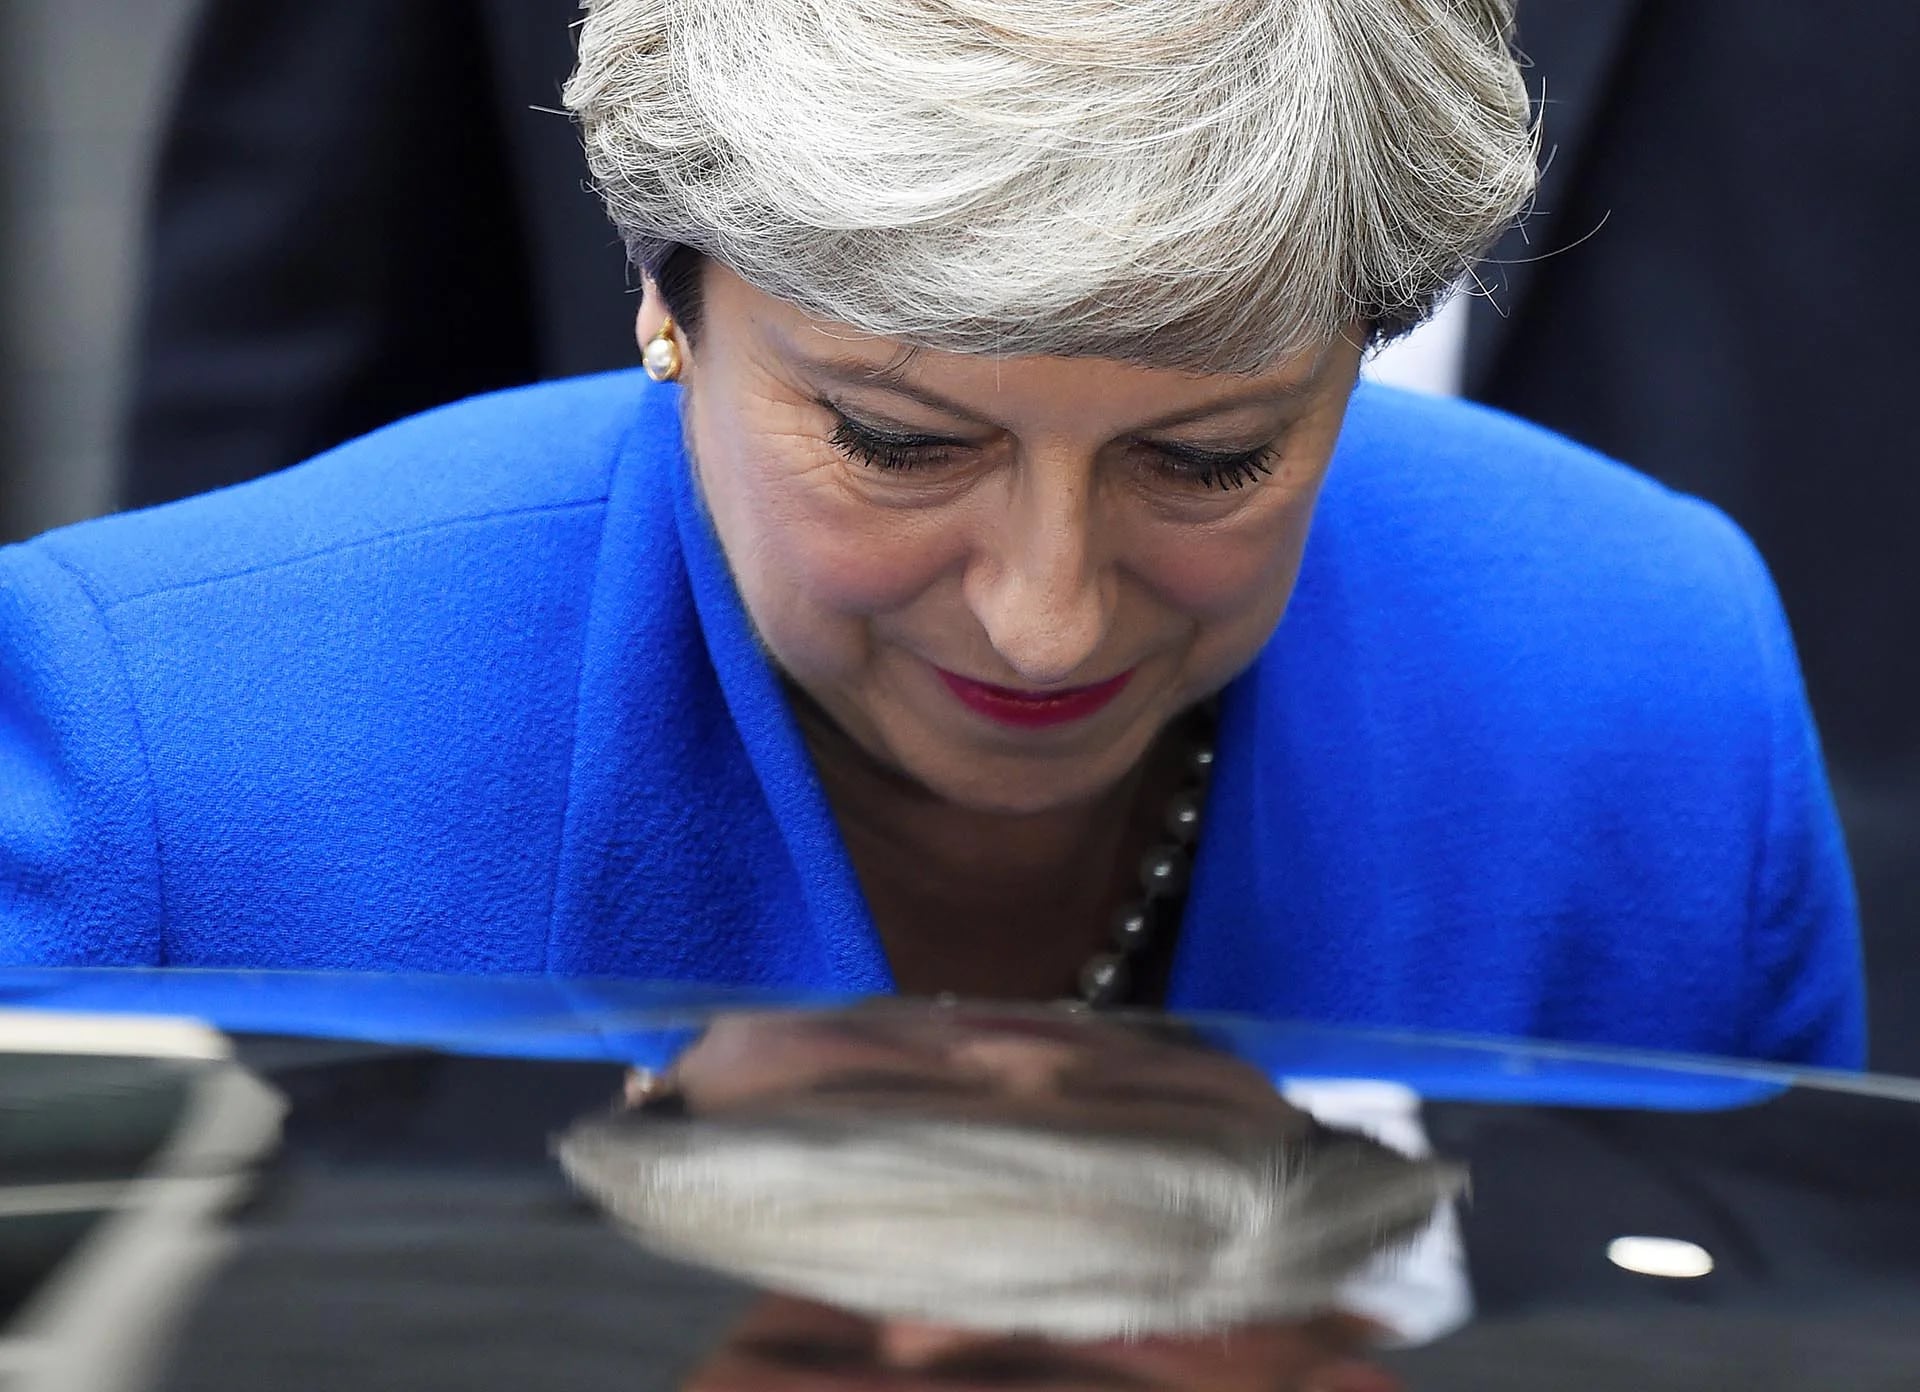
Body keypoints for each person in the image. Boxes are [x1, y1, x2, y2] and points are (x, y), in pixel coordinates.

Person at [0, 0, 1863, 1065]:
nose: (1047, 620)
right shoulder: (165, 751)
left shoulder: (1643, 695)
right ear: (671, 297)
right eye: (898, 445)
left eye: (1205, 461)